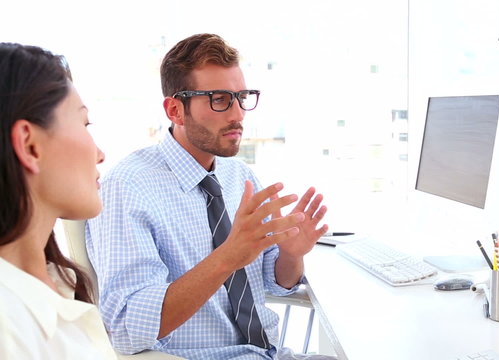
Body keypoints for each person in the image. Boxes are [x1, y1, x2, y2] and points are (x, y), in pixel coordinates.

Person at [86, 33, 334, 359]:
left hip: (271, 353)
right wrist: (228, 257)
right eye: (219, 99)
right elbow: (127, 328)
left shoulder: (239, 176)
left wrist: (291, 255)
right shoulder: (129, 188)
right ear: (175, 109)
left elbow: (275, 284)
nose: (238, 115)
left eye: (241, 97)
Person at [0, 43, 116, 359]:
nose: (100, 154)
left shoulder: (58, 283)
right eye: (84, 123)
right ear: (30, 145)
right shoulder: (7, 323)